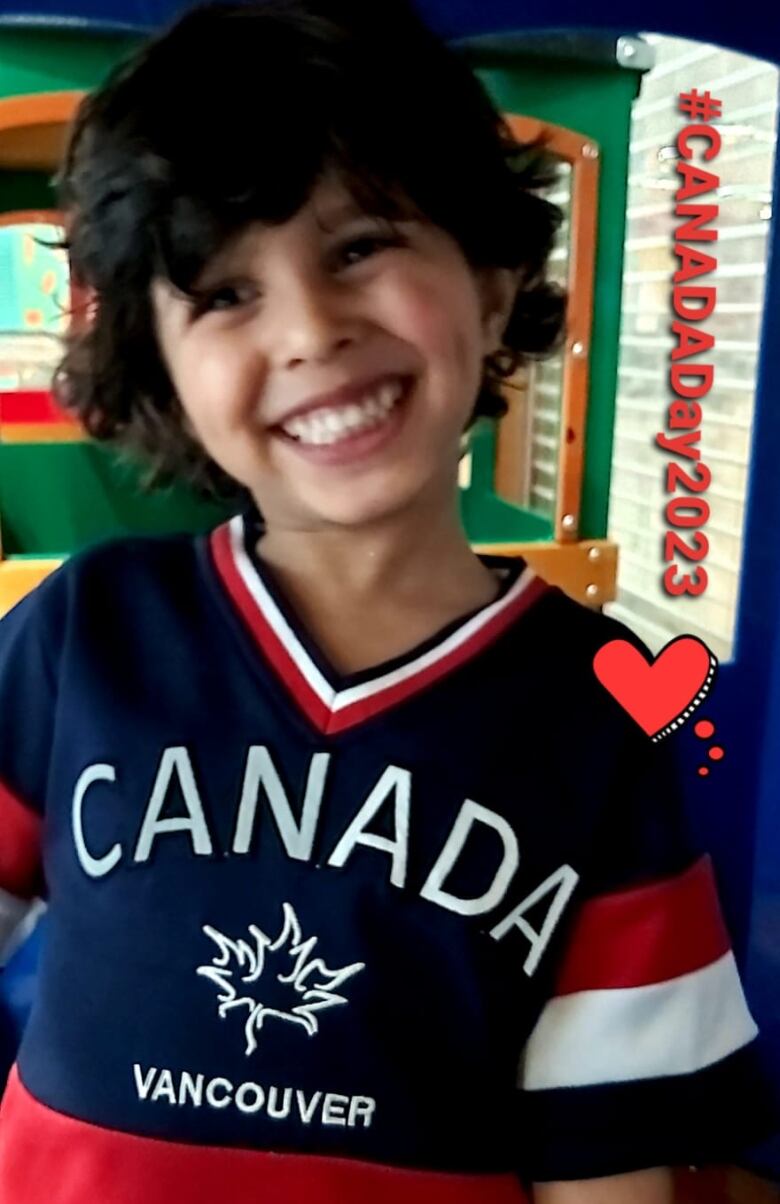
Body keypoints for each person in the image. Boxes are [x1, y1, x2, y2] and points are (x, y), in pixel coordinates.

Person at [0, 1, 774, 1200]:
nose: (311, 330)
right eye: (222, 293)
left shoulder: (595, 715)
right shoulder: (87, 631)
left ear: (491, 270)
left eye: (359, 244)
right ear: (159, 364)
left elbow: (614, 1160)